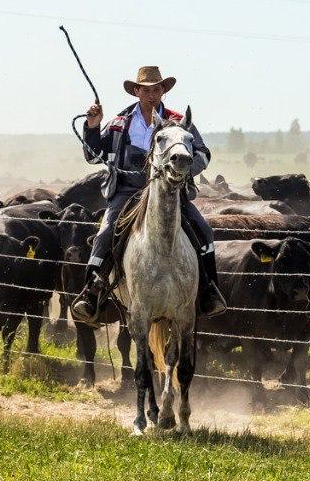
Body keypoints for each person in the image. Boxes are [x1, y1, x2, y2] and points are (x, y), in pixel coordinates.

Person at [69, 66, 226, 324]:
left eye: (157, 89)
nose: (152, 94)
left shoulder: (179, 122)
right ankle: (92, 293)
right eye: (146, 90)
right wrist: (93, 127)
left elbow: (203, 154)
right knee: (105, 233)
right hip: (128, 191)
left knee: (203, 230)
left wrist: (183, 170)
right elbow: (92, 155)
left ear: (163, 91)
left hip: (170, 190)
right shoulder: (120, 123)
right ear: (136, 92)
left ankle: (209, 291)